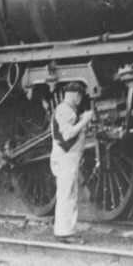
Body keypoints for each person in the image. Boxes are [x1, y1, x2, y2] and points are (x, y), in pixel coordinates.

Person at [49, 80, 94, 243]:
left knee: (69, 195)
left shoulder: (67, 110)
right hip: (65, 158)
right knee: (67, 195)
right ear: (76, 95)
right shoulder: (65, 110)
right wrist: (85, 120)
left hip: (69, 159)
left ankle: (67, 231)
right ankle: (64, 233)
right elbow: (67, 134)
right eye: (80, 96)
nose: (81, 100)